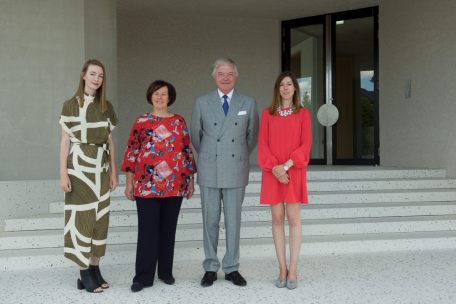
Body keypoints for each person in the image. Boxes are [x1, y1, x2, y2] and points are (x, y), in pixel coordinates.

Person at [121, 80, 196, 292]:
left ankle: (165, 272)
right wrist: (129, 183)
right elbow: (132, 153)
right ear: (150, 96)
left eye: (164, 94)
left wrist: (190, 180)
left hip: (175, 184)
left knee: (168, 230)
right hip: (147, 186)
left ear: (170, 97)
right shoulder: (141, 121)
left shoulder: (179, 122)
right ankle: (143, 277)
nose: (160, 97)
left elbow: (186, 152)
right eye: (156, 93)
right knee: (147, 231)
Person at [191, 58, 259, 287]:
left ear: (236, 76)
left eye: (230, 73)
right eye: (221, 73)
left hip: (236, 168)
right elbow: (195, 136)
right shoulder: (202, 102)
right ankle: (210, 266)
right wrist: (210, 155)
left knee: (233, 221)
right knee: (209, 220)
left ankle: (231, 267)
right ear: (214, 76)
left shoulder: (247, 102)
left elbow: (252, 137)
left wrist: (237, 154)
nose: (225, 77)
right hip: (210, 168)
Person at [59, 59, 118, 293]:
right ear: (84, 75)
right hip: (79, 167)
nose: (96, 79)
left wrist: (114, 172)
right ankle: (83, 271)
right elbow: (64, 141)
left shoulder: (106, 106)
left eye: (101, 75)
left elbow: (110, 141)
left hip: (101, 169)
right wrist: (62, 173)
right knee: (81, 219)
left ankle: (95, 268)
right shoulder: (70, 105)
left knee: (100, 219)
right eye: (93, 74)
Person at [257, 71, 312, 290]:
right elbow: (263, 145)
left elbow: (306, 144)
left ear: (295, 89)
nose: (286, 88)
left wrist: (287, 166)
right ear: (277, 89)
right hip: (273, 172)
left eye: (289, 84)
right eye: (282, 85)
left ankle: (294, 268)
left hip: (294, 171)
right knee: (277, 219)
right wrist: (275, 168)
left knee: (293, 219)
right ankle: (281, 268)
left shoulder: (303, 114)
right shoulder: (267, 114)